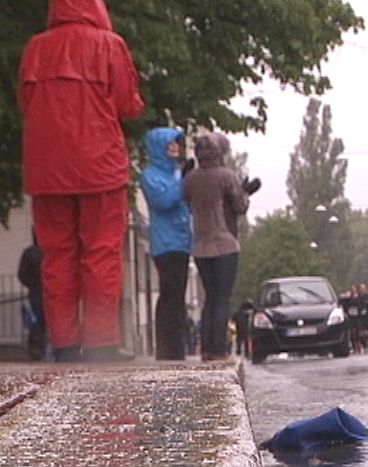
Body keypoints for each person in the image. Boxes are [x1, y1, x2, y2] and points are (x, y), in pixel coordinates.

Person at [18, 0, 145, 362]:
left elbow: (26, 103)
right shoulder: (108, 44)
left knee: (56, 257)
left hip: (47, 169)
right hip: (99, 164)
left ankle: (65, 345)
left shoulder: (35, 48)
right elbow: (128, 104)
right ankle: (102, 343)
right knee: (100, 252)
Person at [184, 133, 249, 361]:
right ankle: (219, 349)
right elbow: (239, 206)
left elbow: (185, 200)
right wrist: (246, 192)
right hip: (224, 244)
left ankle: (206, 348)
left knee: (209, 298)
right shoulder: (226, 176)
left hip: (201, 246)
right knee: (222, 298)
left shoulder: (191, 179)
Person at [139, 127, 192, 360]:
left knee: (178, 297)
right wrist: (183, 183)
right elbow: (164, 201)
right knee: (169, 295)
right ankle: (167, 348)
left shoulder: (176, 174)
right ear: (160, 147)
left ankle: (176, 348)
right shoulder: (150, 175)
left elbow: (185, 205)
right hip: (165, 242)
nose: (175, 148)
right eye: (171, 144)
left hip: (181, 241)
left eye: (177, 144)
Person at [18, 232, 46, 361]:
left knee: (36, 322)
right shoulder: (52, 251)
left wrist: (32, 284)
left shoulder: (29, 253)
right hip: (53, 292)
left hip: (35, 293)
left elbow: (22, 275)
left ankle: (37, 350)